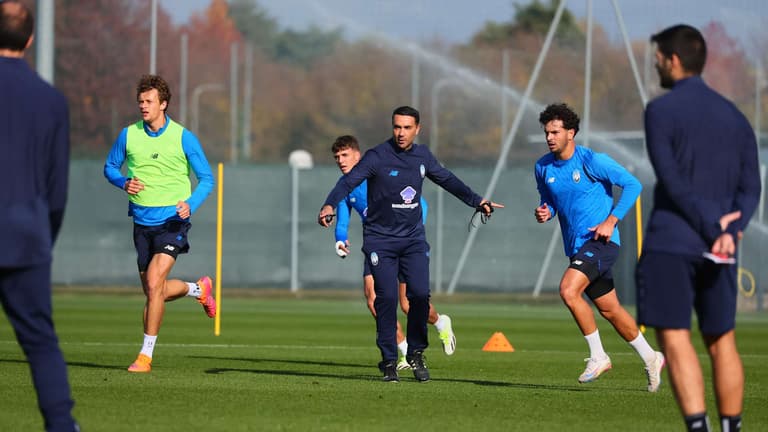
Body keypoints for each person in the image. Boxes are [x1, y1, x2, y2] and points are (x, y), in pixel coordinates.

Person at [318, 107, 502, 383]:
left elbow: (448, 180)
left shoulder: (423, 156)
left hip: (413, 240)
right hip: (381, 240)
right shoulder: (377, 157)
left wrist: (477, 201)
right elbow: (348, 182)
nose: (401, 133)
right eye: (396, 127)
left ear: (417, 129)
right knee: (385, 300)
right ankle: (390, 360)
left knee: (417, 298)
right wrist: (329, 204)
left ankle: (416, 353)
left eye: (406, 128)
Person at [637, 24, 761, 432]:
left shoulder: (660, 110)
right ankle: (732, 427)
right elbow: (751, 186)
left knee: (675, 336)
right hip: (722, 248)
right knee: (721, 339)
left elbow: (670, 178)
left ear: (673, 60)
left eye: (657, 58)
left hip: (673, 240)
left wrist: (709, 224)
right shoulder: (735, 116)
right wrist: (733, 227)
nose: (656, 65)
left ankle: (698, 427)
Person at [533, 103, 665, 392]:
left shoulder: (592, 160)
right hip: (577, 248)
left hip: (602, 243)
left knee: (568, 290)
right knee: (610, 310)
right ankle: (651, 357)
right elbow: (550, 201)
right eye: (546, 132)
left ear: (572, 133)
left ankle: (598, 356)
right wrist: (546, 212)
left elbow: (633, 185)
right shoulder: (542, 167)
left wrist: (611, 220)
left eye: (555, 132)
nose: (549, 137)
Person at [0, 2, 80, 431]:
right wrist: (42, 241)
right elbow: (57, 189)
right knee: (41, 343)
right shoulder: (51, 101)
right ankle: (61, 425)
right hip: (27, 237)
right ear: (30, 40)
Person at [104, 74, 216, 373]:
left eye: (149, 101)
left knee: (154, 285)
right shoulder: (129, 135)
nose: (143, 106)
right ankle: (198, 290)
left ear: (163, 104)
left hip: (172, 222)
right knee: (154, 290)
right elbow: (110, 167)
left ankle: (145, 355)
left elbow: (207, 178)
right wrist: (123, 182)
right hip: (141, 223)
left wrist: (189, 204)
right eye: (140, 101)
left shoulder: (183, 137)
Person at [330, 135, 457, 370]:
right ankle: (404, 353)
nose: (340, 160)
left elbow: (422, 204)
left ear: (358, 155)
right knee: (374, 300)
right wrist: (340, 240)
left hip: (403, 243)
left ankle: (440, 323)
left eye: (345, 155)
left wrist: (411, 233)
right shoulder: (346, 185)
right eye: (337, 157)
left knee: (408, 305)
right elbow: (342, 220)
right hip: (377, 245)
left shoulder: (378, 173)